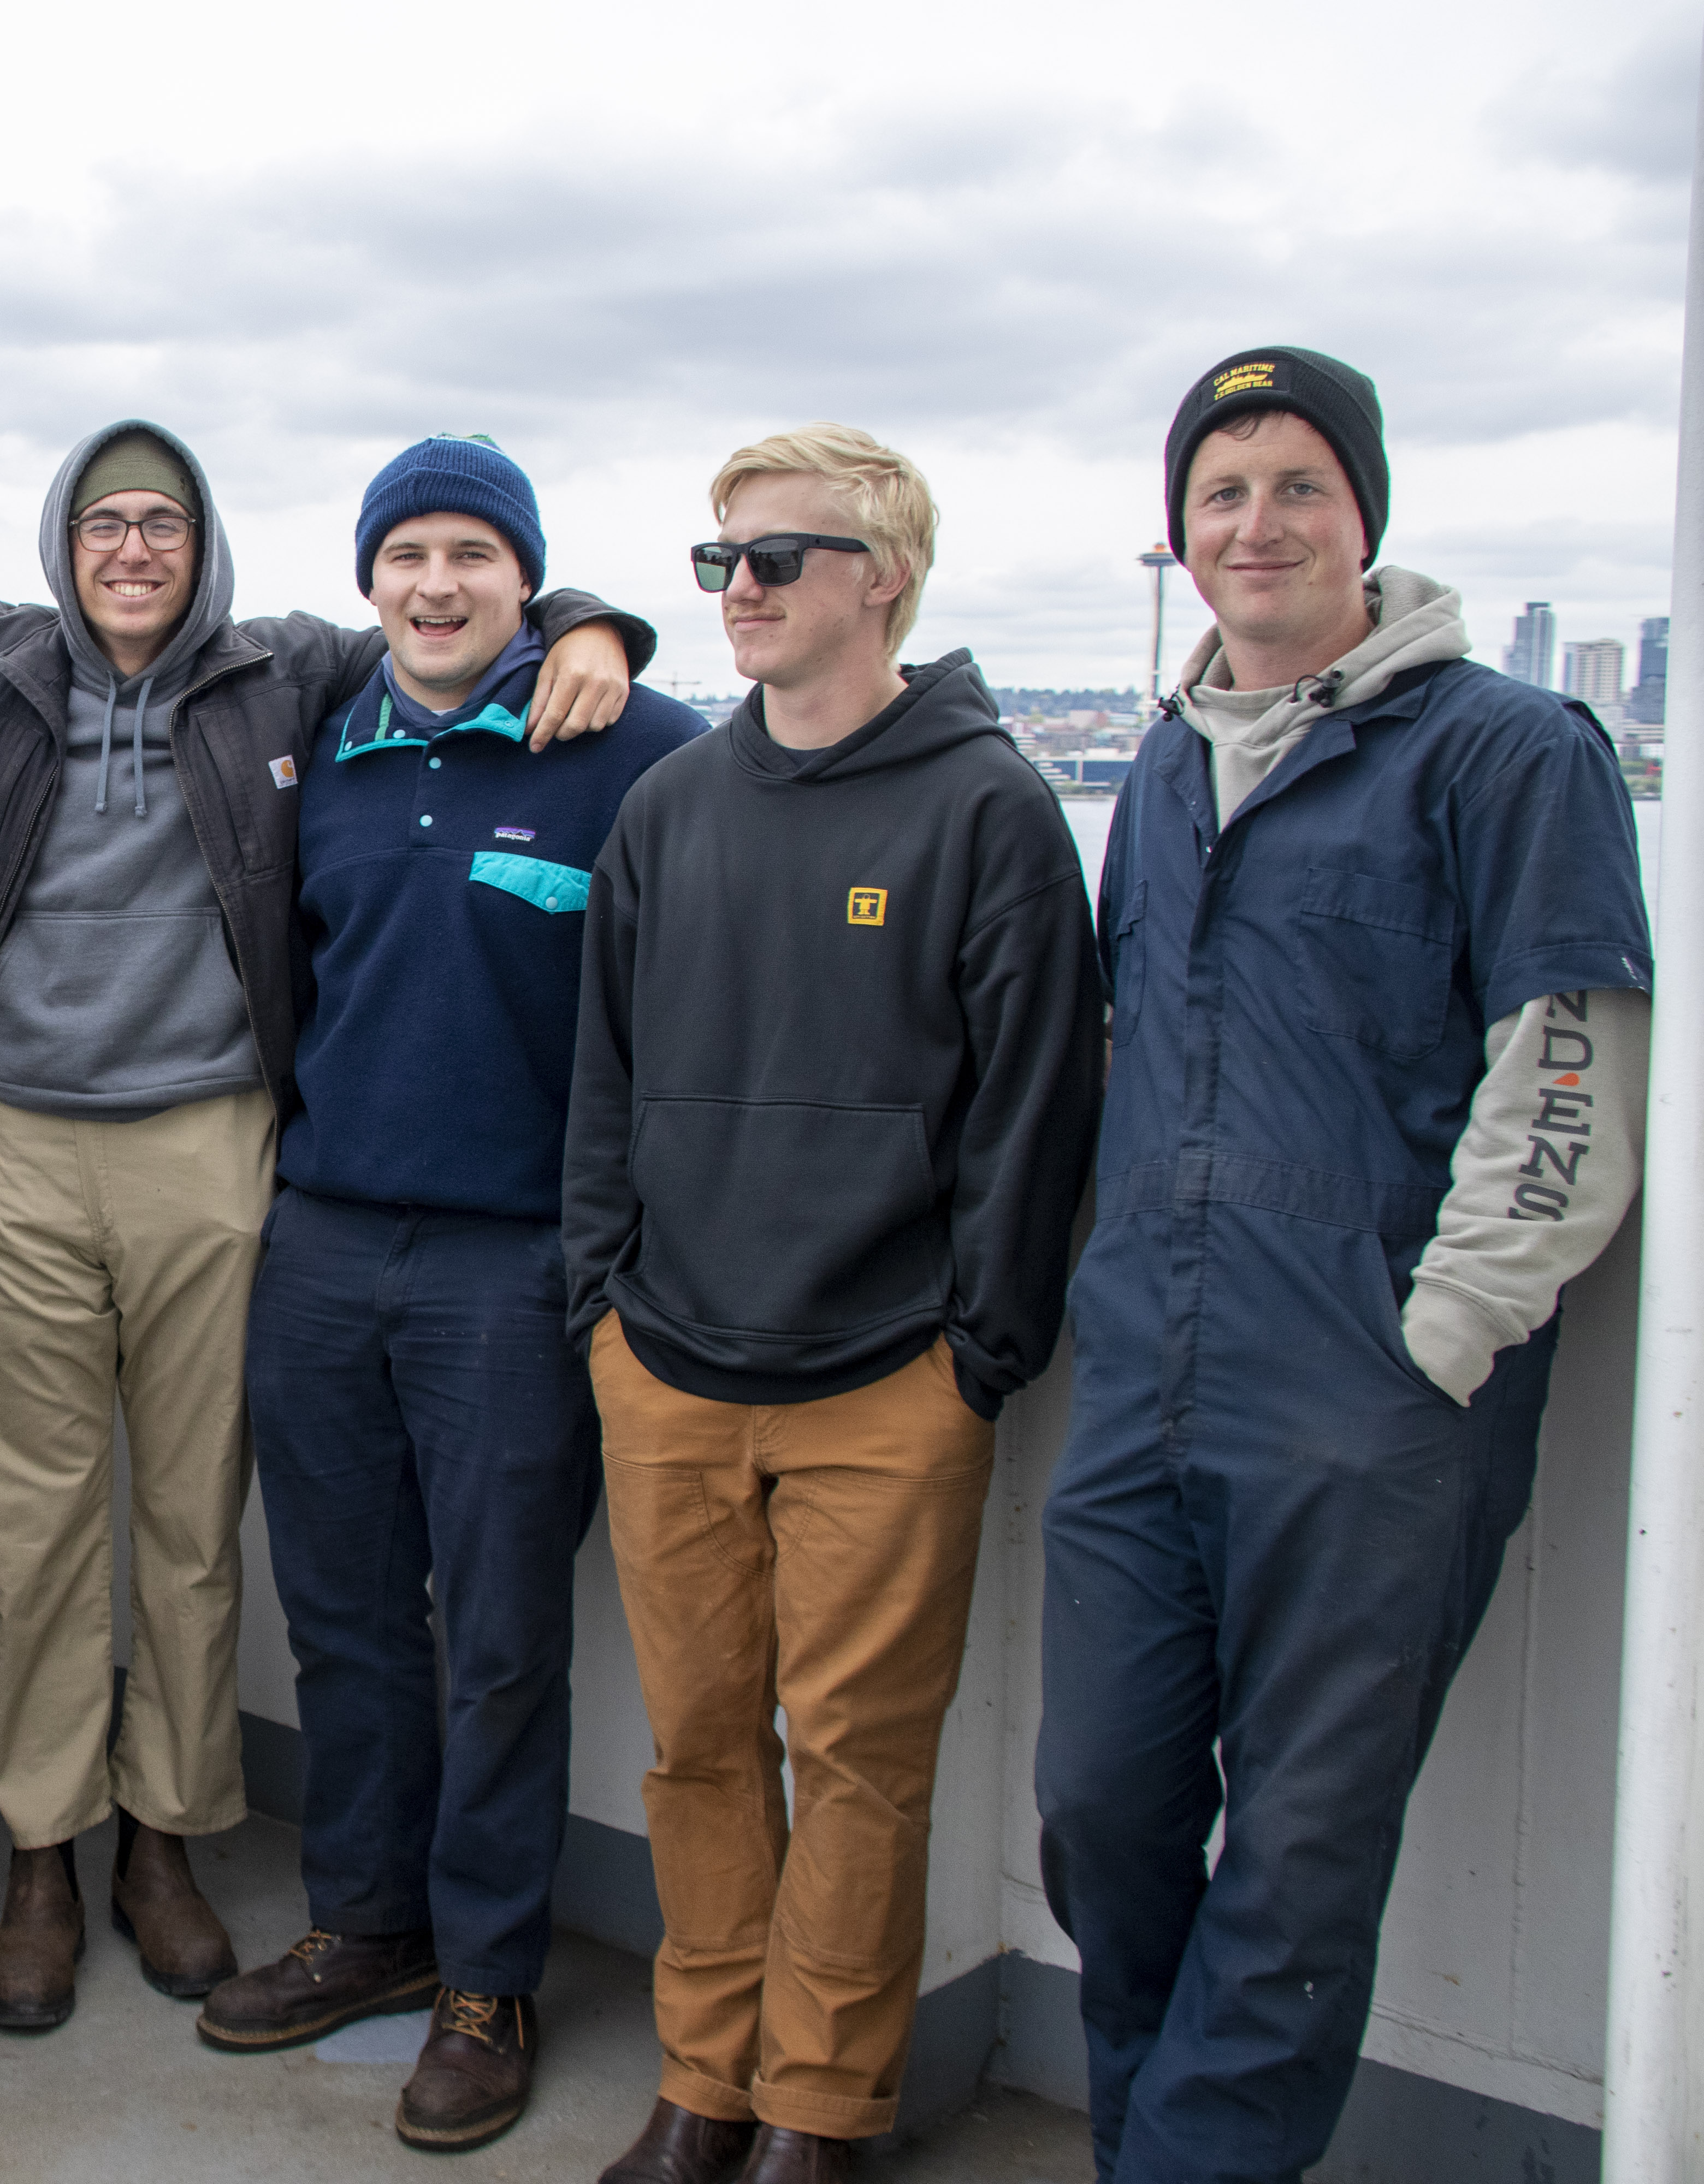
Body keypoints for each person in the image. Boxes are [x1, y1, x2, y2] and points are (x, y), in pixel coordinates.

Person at [0, 418, 653, 2031]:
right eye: (102, 522)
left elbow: (449, 605)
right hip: (20, 1151)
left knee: (193, 1524)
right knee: (34, 1533)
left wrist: (595, 621)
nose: (130, 551)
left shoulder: (283, 671)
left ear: (207, 545)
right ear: (62, 538)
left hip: (216, 1145)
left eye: (162, 524)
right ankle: (47, 1844)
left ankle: (164, 1839)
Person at [1034, 349, 1651, 2184]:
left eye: (1298, 484)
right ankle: (1156, 2149)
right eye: (1220, 494)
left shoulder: (1506, 753)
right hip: (1146, 1380)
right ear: (1181, 537)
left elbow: (1567, 1065)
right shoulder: (1158, 768)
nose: (1257, 524)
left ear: (1365, 515)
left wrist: (1439, 1341)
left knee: (1301, 1859)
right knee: (1101, 1806)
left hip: (1368, 1410)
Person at [562, 426, 1101, 2184]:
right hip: (672, 1364)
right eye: (721, 559)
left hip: (890, 1378)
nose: (741, 590)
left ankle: (819, 2111)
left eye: (780, 557)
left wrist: (976, 1359)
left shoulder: (990, 808)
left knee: (859, 1767)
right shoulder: (669, 810)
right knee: (698, 1753)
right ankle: (704, 2082)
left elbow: (1036, 1116)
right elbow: (604, 1086)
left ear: (886, 577)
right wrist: (604, 1315)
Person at [196, 437, 702, 2152]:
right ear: (367, 582)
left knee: (495, 1640)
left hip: (514, 1261)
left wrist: (605, 631)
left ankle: (489, 1975)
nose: (436, 584)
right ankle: (370, 1923)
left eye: (475, 556)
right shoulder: (320, 749)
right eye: (405, 553)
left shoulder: (628, 745)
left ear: (525, 579)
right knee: (340, 1620)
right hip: (325, 1241)